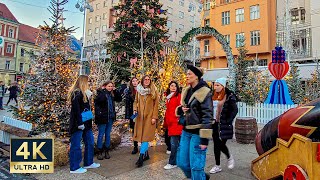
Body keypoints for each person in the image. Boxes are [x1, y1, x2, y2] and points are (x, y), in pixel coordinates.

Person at [176, 65, 213, 180]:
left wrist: (204, 139)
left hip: (198, 133)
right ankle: (200, 177)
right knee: (182, 163)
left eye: (189, 74)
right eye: (186, 74)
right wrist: (180, 109)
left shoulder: (205, 92)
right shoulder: (187, 90)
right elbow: (183, 109)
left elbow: (208, 117)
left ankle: (199, 176)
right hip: (186, 132)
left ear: (197, 76)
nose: (187, 76)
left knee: (196, 166)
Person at [68, 75, 100, 174]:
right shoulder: (76, 94)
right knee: (76, 145)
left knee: (90, 142)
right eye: (88, 82)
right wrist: (80, 123)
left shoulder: (85, 94)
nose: (90, 83)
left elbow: (87, 108)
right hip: (78, 123)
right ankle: (74, 167)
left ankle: (88, 162)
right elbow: (76, 110)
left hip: (86, 123)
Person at [209, 78, 238, 174]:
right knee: (216, 145)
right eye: (215, 85)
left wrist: (228, 120)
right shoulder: (212, 95)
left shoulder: (229, 96)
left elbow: (234, 110)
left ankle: (229, 157)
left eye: (218, 85)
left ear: (223, 86)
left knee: (220, 144)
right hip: (214, 123)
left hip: (224, 124)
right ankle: (217, 165)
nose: (215, 87)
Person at [133, 75, 159, 167]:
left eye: (149, 79)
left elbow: (156, 105)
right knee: (141, 137)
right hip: (140, 117)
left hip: (149, 117)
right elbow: (135, 101)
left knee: (145, 137)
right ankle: (146, 154)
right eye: (145, 79)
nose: (147, 81)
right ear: (142, 81)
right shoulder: (139, 90)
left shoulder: (154, 90)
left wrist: (154, 117)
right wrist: (135, 109)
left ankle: (141, 157)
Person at [94, 81, 122, 160]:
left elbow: (119, 99)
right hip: (102, 117)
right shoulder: (101, 94)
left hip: (110, 117)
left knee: (108, 134)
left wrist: (115, 90)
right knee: (101, 134)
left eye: (111, 86)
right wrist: (102, 91)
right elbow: (100, 100)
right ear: (105, 86)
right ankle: (99, 151)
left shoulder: (112, 94)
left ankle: (107, 150)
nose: (110, 88)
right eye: (109, 86)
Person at [163, 81, 183, 170]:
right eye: (172, 86)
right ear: (169, 87)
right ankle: (180, 161)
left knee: (174, 144)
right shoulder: (168, 97)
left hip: (176, 123)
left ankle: (172, 162)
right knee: (178, 144)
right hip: (171, 123)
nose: (173, 87)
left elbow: (181, 108)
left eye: (175, 86)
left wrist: (177, 118)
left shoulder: (178, 96)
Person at [124, 77, 139, 154]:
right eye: (133, 81)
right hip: (132, 113)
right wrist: (127, 115)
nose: (135, 82)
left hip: (141, 113)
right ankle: (135, 146)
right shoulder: (129, 91)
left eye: (136, 81)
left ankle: (143, 147)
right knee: (134, 129)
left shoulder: (141, 90)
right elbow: (127, 105)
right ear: (131, 82)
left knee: (141, 129)